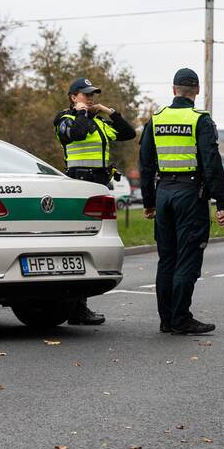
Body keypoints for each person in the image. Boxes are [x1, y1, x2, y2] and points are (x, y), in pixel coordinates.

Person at [139, 68, 224, 335]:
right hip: (190, 194)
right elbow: (212, 163)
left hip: (164, 191)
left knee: (166, 258)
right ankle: (181, 318)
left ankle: (166, 318)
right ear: (197, 91)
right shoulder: (199, 120)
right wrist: (221, 203)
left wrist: (148, 201)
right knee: (187, 258)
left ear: (173, 89)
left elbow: (145, 163)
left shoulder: (156, 119)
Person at [54, 76, 137, 325]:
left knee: (91, 248)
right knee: (77, 247)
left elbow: (128, 133)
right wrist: (81, 114)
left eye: (93, 95)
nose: (91, 99)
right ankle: (76, 308)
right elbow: (76, 135)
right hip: (78, 185)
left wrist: (108, 111)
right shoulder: (65, 120)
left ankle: (80, 306)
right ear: (73, 97)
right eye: (86, 95)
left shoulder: (99, 122)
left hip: (99, 187)